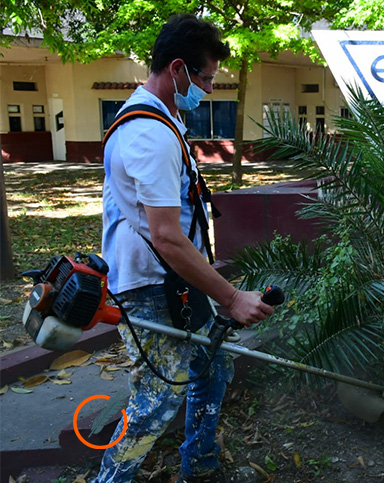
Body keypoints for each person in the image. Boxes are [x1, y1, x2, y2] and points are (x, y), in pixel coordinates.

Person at [94, 13, 274, 483]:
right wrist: (232, 298)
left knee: (211, 366)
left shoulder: (161, 114)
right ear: (177, 70)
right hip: (151, 287)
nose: (209, 90)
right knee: (157, 403)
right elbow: (167, 237)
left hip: (178, 279)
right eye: (206, 78)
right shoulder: (149, 133)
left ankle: (199, 465)